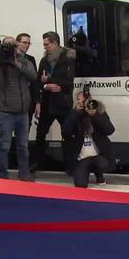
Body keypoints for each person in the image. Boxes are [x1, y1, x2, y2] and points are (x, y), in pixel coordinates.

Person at [0, 36, 38, 181]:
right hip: (6, 112)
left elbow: (33, 76)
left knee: (23, 146)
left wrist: (16, 63)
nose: (9, 48)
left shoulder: (23, 60)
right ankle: (2, 175)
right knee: (4, 145)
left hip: (23, 112)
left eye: (12, 45)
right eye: (7, 45)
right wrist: (0, 63)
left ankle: (24, 174)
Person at [33, 31, 76, 171]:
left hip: (63, 103)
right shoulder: (44, 61)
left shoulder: (68, 59)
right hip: (47, 104)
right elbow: (39, 81)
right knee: (40, 134)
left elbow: (69, 82)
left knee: (68, 134)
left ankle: (70, 166)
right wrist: (46, 86)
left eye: (47, 44)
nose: (45, 47)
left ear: (55, 43)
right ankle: (38, 162)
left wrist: (50, 80)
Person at [63, 89, 114, 187]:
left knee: (102, 164)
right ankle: (86, 172)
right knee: (80, 184)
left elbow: (110, 130)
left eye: (84, 100)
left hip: (98, 156)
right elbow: (65, 132)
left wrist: (94, 114)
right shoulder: (74, 114)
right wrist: (75, 113)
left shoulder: (98, 111)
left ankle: (99, 175)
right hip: (82, 158)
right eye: (79, 100)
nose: (81, 102)